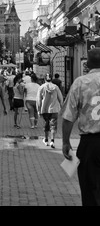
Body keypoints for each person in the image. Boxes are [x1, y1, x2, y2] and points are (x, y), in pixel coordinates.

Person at [61, 48, 100, 206]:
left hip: (90, 144)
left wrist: (65, 141)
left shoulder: (81, 82)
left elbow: (68, 116)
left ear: (88, 64)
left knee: (89, 188)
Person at [36, 73, 63, 148]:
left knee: (46, 124)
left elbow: (38, 99)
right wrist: (62, 106)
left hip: (45, 109)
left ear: (44, 79)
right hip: (54, 109)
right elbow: (60, 98)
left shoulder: (41, 87)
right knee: (53, 126)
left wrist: (38, 109)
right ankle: (52, 141)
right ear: (51, 79)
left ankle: (46, 139)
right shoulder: (56, 87)